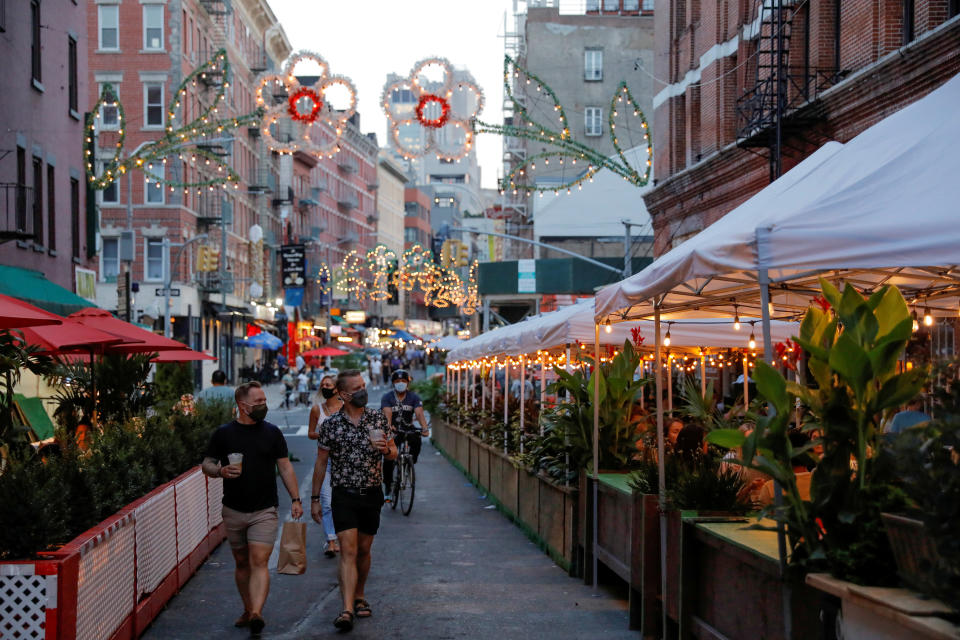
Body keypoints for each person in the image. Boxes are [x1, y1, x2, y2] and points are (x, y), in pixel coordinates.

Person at [201, 381, 302, 635]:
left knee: (259, 561)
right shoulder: (223, 434)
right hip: (233, 509)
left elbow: (285, 466)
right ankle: (248, 609)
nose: (263, 406)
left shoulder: (272, 432)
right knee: (242, 562)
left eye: (264, 401)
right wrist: (220, 470)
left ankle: (257, 612)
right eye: (258, 402)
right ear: (242, 405)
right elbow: (207, 464)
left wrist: (296, 498)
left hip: (264, 509)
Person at [311, 370, 397, 632]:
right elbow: (321, 462)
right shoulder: (331, 425)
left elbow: (393, 453)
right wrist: (315, 498)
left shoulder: (377, 419)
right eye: (358, 387)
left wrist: (386, 450)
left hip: (371, 494)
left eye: (364, 386)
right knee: (347, 551)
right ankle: (347, 608)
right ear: (345, 394)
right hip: (343, 494)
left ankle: (359, 594)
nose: (363, 390)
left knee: (363, 550)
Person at [380, 369, 429, 501]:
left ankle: (410, 463)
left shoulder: (414, 397)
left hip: (408, 428)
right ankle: (388, 487)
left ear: (408, 383)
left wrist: (424, 428)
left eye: (403, 381)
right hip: (394, 430)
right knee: (389, 457)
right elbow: (387, 414)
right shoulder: (387, 397)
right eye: (397, 381)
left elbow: (419, 414)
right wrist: (388, 427)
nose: (400, 383)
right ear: (393, 383)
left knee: (416, 441)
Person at [307, 374, 342, 557]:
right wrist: (323, 435)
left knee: (343, 502)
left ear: (337, 388)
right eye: (323, 384)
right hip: (325, 461)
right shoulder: (316, 410)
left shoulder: (346, 408)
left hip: (345, 463)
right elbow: (310, 433)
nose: (325, 387)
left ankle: (345, 536)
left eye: (328, 384)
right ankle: (331, 540)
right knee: (327, 502)